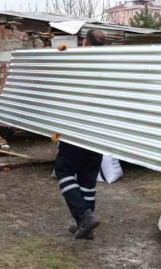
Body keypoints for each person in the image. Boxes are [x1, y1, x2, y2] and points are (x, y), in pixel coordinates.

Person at [53, 29, 106, 240]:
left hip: (76, 128)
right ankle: (84, 226)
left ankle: (84, 217)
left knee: (63, 171)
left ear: (85, 42)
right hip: (99, 131)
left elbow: (60, 84)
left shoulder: (79, 61)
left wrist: (61, 56)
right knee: (87, 179)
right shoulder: (110, 64)